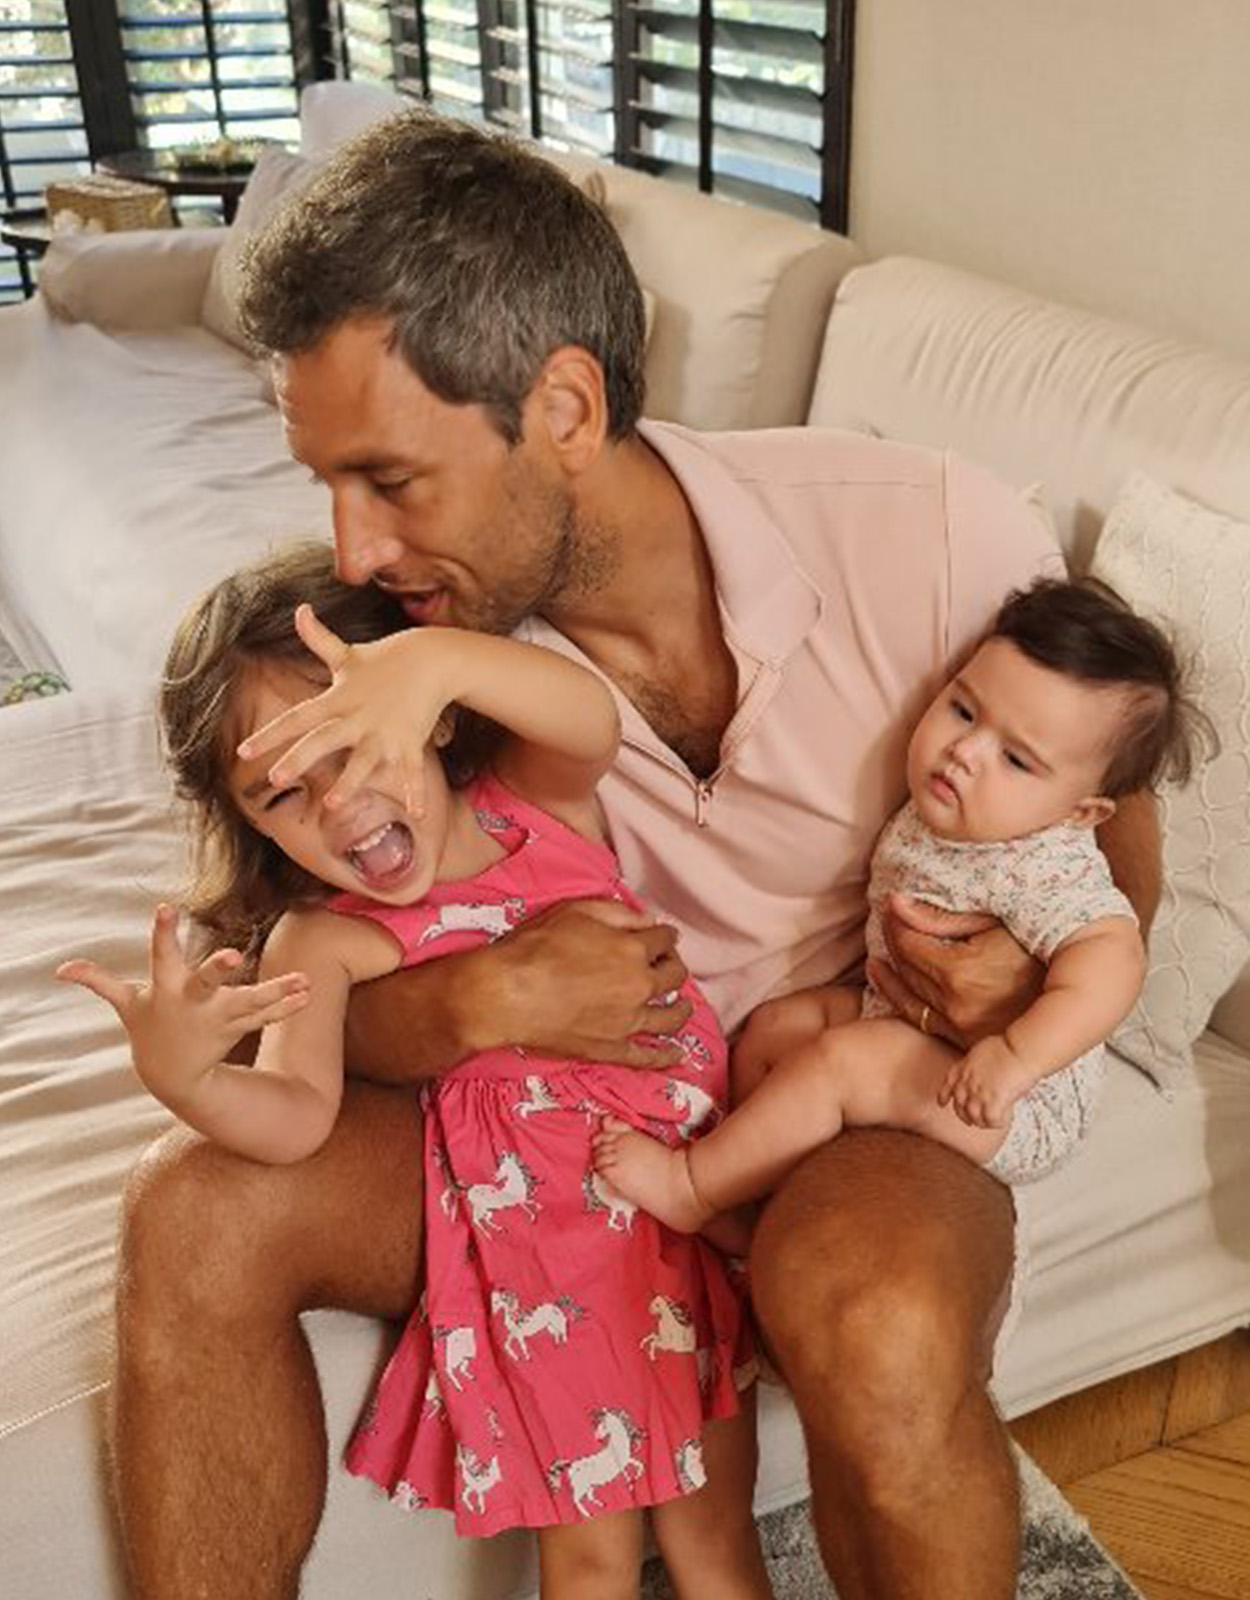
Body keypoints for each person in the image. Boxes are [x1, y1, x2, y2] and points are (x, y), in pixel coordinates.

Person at [109, 108, 1162, 1600]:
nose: (348, 553)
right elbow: (344, 963)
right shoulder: (405, 657)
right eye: (325, 487)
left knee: (871, 1314)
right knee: (191, 1207)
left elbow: (1112, 821)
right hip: (549, 1127)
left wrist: (1026, 970)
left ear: (562, 407)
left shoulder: (935, 534)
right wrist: (477, 1006)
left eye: (389, 479)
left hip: (833, 1094)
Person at [64, 544, 769, 1598]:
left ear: (433, 713)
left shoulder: (530, 800)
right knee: (588, 1564)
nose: (338, 804)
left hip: (686, 1207)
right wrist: (188, 1081)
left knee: (717, 1545)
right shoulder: (320, 940)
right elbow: (297, 1118)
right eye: (281, 792)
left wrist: (433, 654)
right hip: (550, 1271)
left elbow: (588, 716)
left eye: (354, 743)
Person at [593, 578, 1202, 1228]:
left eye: (1016, 760)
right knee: (776, 1030)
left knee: (844, 1065)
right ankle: (751, 1198)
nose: (964, 752)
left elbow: (1116, 961)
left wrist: (1018, 1057)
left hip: (1010, 1100)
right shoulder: (953, 807)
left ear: (1080, 812)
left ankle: (695, 1187)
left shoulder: (1045, 865)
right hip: (904, 1017)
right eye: (964, 711)